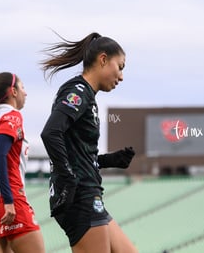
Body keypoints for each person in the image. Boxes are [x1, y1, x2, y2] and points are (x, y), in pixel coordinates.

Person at [40, 32, 138, 253]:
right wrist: (68, 178)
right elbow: (51, 132)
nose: (121, 76)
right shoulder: (78, 91)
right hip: (80, 196)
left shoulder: (87, 96)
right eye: (120, 66)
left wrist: (109, 160)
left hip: (89, 192)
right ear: (103, 59)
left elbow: (77, 152)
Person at [0, 72, 45, 253]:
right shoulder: (11, 115)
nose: (25, 93)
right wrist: (8, 201)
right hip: (5, 201)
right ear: (13, 91)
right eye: (23, 88)